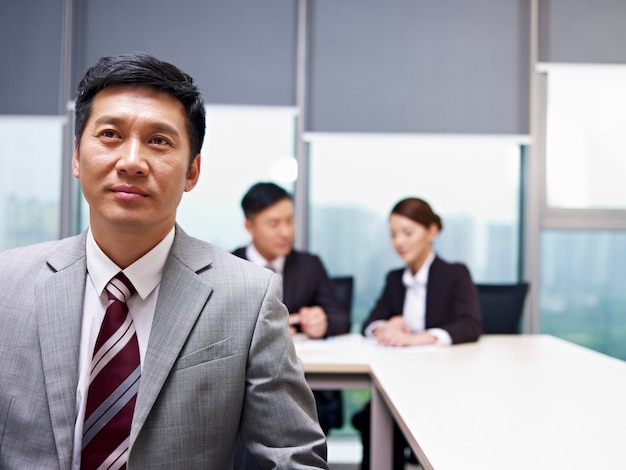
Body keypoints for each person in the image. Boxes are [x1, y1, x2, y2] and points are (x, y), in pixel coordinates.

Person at [0, 53, 328, 470]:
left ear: (192, 172)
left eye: (159, 140)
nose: (132, 162)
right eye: (110, 134)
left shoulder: (248, 296)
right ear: (77, 158)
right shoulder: (6, 285)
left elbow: (291, 457)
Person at [352, 196, 482, 470]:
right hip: (400, 381)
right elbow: (369, 322)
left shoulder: (454, 274)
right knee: (373, 418)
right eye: (393, 235)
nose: (399, 242)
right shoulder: (394, 280)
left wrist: (419, 339)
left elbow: (470, 324)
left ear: (432, 232)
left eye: (408, 233)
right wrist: (385, 327)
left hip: (444, 384)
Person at [233, 182, 351, 434]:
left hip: (301, 384)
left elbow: (341, 317)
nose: (285, 232)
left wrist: (322, 322)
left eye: (290, 221)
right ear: (249, 226)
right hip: (242, 388)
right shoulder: (230, 265)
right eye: (274, 224)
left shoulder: (309, 265)